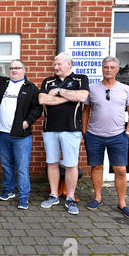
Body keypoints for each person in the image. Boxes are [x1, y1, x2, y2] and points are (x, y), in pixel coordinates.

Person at [0, 50, 43, 210]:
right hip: (2, 134)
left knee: (21, 167)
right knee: (6, 165)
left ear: (24, 70)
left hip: (21, 135)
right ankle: (8, 190)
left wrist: (27, 122)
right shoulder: (3, 82)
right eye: (12, 68)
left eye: (17, 68)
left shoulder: (31, 88)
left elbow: (38, 108)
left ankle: (23, 196)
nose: (14, 70)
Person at [82, 56, 129, 219]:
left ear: (117, 70)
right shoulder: (92, 89)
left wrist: (127, 132)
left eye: (112, 67)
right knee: (97, 167)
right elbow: (86, 110)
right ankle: (97, 198)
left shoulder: (125, 89)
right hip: (94, 135)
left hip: (117, 136)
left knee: (120, 170)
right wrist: (84, 131)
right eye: (106, 67)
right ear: (102, 68)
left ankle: (122, 203)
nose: (108, 70)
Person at [38, 52, 89, 215]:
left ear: (69, 64)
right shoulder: (48, 81)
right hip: (50, 129)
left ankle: (70, 197)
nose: (55, 67)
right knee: (52, 162)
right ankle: (53, 195)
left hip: (71, 128)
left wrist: (58, 91)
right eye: (54, 64)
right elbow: (42, 100)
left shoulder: (80, 79)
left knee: (71, 164)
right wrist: (69, 96)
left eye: (59, 64)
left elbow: (82, 96)